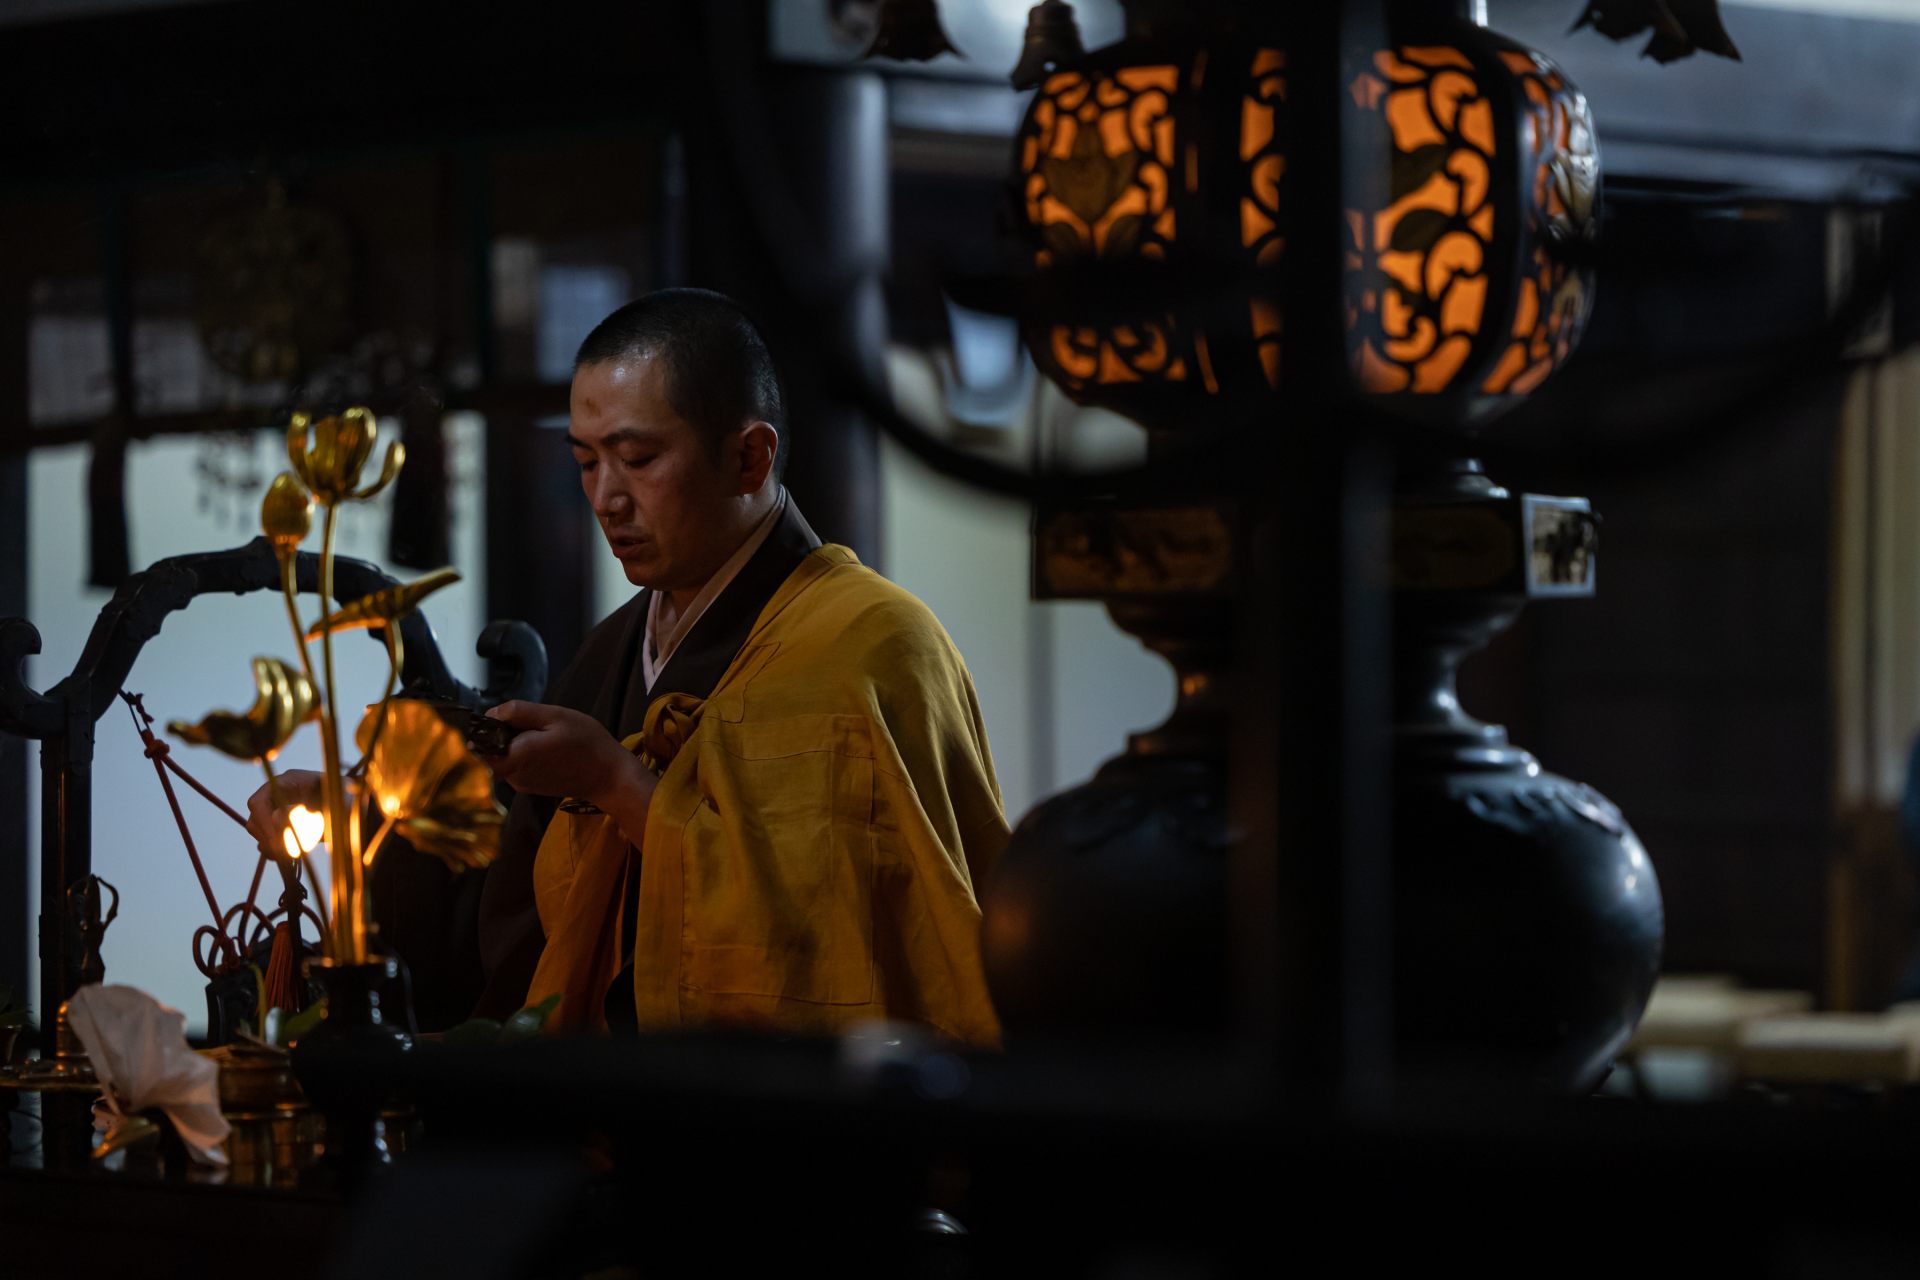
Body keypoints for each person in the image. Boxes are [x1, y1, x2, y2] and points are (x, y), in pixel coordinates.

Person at [248, 289, 1006, 1046]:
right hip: (609, 1107)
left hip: (779, 1124)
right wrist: (368, 817)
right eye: (586, 461)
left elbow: (844, 940)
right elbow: (514, 904)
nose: (607, 498)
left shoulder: (873, 645)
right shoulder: (614, 650)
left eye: (638, 458)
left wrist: (617, 783)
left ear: (749, 457)